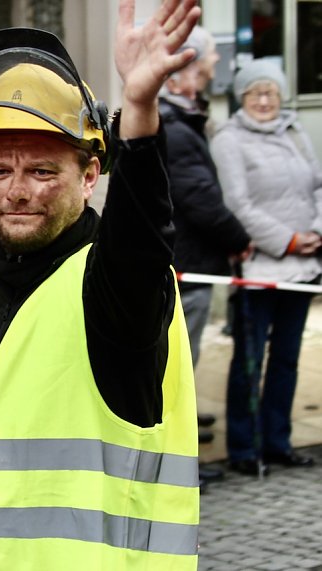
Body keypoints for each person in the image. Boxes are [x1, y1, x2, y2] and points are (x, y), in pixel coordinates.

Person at [0, 0, 202, 568]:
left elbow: (140, 238)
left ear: (90, 174)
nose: (17, 190)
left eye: (42, 171)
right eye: (0, 170)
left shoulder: (108, 286)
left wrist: (140, 112)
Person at [211, 59, 322, 475]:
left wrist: (316, 231)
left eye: (271, 92)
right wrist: (288, 239)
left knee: (287, 359)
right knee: (249, 362)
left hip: (304, 266)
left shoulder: (293, 131)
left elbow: (318, 184)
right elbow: (238, 204)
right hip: (260, 268)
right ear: (242, 97)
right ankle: (244, 448)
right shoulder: (229, 139)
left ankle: (278, 441)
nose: (263, 100)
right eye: (255, 92)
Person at [158, 25, 252, 483]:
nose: (213, 74)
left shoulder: (181, 120)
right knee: (179, 370)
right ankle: (180, 469)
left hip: (192, 262)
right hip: (188, 265)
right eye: (208, 66)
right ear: (180, 73)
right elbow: (199, 199)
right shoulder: (175, 128)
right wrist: (239, 237)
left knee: (185, 368)